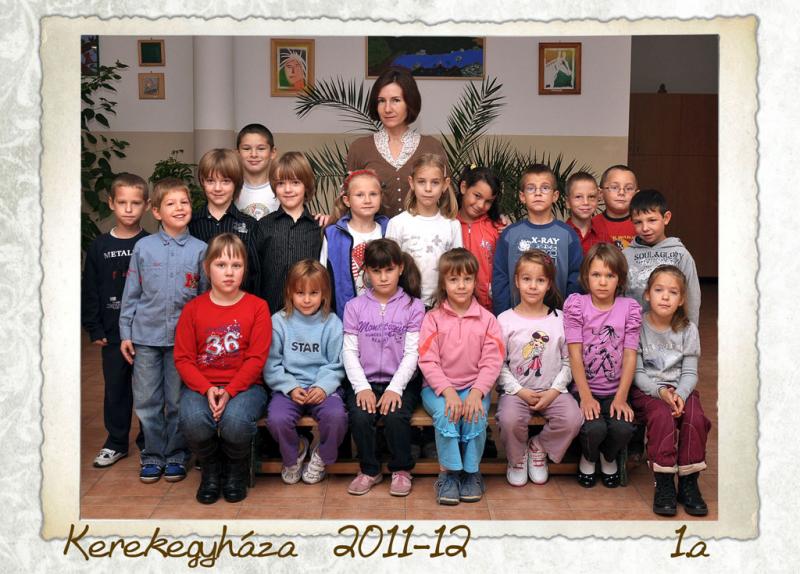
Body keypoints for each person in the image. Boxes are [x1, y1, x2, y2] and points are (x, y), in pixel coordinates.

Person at [119, 177, 208, 483]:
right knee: (147, 401)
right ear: (156, 211)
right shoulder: (143, 248)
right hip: (145, 337)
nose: (179, 208)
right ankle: (153, 454)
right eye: (171, 203)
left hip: (183, 342)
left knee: (177, 401)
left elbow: (204, 298)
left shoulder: (200, 250)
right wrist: (126, 332)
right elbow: (131, 293)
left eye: (184, 202)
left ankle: (177, 454)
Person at [174, 234, 270, 504]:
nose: (229, 272)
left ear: (245, 269)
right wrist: (207, 389)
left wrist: (229, 391)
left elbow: (256, 359)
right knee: (193, 419)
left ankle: (235, 469)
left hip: (246, 387)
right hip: (201, 386)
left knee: (235, 422)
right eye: (221, 265)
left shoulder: (258, 307)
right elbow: (183, 359)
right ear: (207, 268)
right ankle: (211, 468)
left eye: (236, 265)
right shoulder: (193, 309)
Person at [418, 249, 504, 505]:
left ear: (475, 281)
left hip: (474, 387)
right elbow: (428, 360)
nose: (461, 285)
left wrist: (477, 393)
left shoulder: (488, 320)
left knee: (475, 415)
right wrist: (448, 392)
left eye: (467, 279)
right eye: (454, 279)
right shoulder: (432, 319)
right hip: (437, 390)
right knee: (448, 414)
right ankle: (449, 474)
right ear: (443, 283)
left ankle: (471, 472)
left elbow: (492, 361)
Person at [343, 239, 425, 497]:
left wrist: (395, 388)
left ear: (400, 268)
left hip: (402, 381)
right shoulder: (354, 307)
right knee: (360, 415)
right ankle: (369, 469)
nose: (383, 277)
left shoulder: (414, 306)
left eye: (389, 270)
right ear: (366, 271)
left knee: (395, 415)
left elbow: (412, 353)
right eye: (376, 271)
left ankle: (401, 469)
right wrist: (361, 388)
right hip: (364, 380)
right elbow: (349, 352)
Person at [495, 250, 583, 486]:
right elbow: (498, 364)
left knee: (573, 419)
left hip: (553, 391)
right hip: (517, 392)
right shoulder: (504, 320)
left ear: (549, 284)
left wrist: (554, 391)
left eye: (540, 280)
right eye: (527, 279)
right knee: (509, 420)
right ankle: (516, 458)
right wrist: (519, 391)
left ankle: (538, 447)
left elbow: (569, 361)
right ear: (516, 281)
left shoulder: (560, 319)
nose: (533, 286)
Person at [631, 265, 710, 516]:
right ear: (647, 294)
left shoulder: (688, 330)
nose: (665, 297)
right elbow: (637, 373)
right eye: (659, 290)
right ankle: (664, 481)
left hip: (681, 390)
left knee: (696, 417)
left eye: (673, 292)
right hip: (649, 391)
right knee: (662, 416)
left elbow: (690, 373)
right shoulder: (638, 326)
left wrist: (680, 395)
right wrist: (661, 393)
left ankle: (688, 482)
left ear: (682, 299)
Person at [82, 173, 149, 468]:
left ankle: (149, 442)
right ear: (111, 203)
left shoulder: (151, 243)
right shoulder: (99, 246)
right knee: (116, 389)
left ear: (147, 205)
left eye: (136, 203)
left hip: (146, 333)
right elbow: (91, 288)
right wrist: (93, 326)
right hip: (111, 333)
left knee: (148, 391)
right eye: (122, 202)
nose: (129, 209)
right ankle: (116, 442)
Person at [563, 243, 641, 488]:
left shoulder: (629, 309)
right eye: (596, 274)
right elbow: (574, 354)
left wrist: (621, 397)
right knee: (593, 428)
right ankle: (589, 456)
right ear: (586, 277)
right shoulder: (577, 305)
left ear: (620, 279)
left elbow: (630, 355)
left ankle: (608, 457)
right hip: (584, 389)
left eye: (610, 275)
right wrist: (585, 397)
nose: (603, 282)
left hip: (615, 390)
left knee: (623, 428)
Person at [264, 260, 348, 485]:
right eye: (300, 293)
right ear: (289, 293)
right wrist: (290, 387)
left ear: (324, 294)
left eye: (314, 293)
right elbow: (272, 365)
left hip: (323, 388)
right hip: (289, 389)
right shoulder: (278, 322)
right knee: (277, 419)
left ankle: (321, 454)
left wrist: (322, 387)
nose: (307, 299)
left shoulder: (332, 323)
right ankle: (295, 453)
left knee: (337, 417)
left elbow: (338, 363)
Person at [346, 66, 448, 217]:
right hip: (373, 232)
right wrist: (329, 221)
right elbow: (347, 201)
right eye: (381, 101)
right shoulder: (360, 148)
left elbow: (446, 201)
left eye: (396, 100)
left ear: (409, 103)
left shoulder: (431, 146)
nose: (387, 109)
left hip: (424, 232)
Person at [492, 163, 582, 316]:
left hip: (558, 318)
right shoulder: (510, 234)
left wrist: (569, 316)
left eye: (545, 188)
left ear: (555, 196)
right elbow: (500, 278)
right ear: (522, 196)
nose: (538, 193)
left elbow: (576, 279)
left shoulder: (567, 235)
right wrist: (504, 315)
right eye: (531, 188)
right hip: (516, 318)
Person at [386, 153, 462, 308]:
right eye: (421, 182)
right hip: (404, 305)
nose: (428, 189)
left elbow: (457, 268)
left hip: (442, 306)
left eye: (435, 182)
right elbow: (389, 267)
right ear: (412, 183)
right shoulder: (397, 223)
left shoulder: (452, 225)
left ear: (445, 184)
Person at [256, 152, 324, 314]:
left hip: (309, 315)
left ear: (306, 185)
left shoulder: (319, 227)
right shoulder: (263, 226)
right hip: (270, 312)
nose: (288, 189)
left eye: (295, 182)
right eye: (281, 183)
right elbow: (254, 274)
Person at [189, 148, 262, 294]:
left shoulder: (250, 225)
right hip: (199, 303)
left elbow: (256, 274)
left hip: (240, 303)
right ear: (202, 182)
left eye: (225, 181)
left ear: (236, 183)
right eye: (210, 181)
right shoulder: (191, 224)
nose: (218, 188)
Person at [623, 189, 701, 325]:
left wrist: (691, 330)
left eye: (652, 220)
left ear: (666, 218)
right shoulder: (625, 255)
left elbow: (692, 296)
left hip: (671, 330)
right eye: (638, 222)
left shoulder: (680, 255)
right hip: (634, 331)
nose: (645, 228)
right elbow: (619, 297)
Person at [321, 169, 389, 318]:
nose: (367, 200)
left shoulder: (390, 229)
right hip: (346, 317)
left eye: (373, 194)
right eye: (360, 195)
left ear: (381, 197)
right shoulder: (332, 235)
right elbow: (322, 278)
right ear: (347, 200)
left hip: (386, 317)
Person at [456, 164, 504, 310]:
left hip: (489, 308)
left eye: (488, 201)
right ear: (463, 187)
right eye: (477, 196)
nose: (481, 205)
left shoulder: (497, 228)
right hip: (455, 306)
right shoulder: (447, 225)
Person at [235, 123, 279, 220]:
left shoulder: (282, 189)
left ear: (273, 152)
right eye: (246, 149)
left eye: (261, 149)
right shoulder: (230, 189)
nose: (254, 154)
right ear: (237, 153)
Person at [592, 164, 639, 250]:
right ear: (600, 193)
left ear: (636, 195)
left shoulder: (643, 224)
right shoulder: (592, 225)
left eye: (629, 188)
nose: (621, 192)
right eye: (614, 187)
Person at [564, 171, 610, 255]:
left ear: (598, 198)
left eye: (591, 196)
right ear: (567, 202)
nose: (586, 202)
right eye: (578, 197)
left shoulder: (604, 236)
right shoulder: (560, 234)